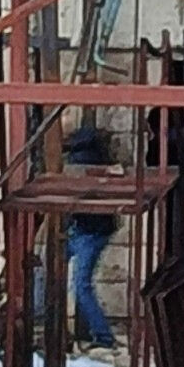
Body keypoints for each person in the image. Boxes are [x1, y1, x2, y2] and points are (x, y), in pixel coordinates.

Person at [63, 122, 120, 352]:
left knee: (81, 285)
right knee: (77, 283)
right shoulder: (100, 158)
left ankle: (103, 336)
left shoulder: (78, 162)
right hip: (90, 229)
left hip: (88, 230)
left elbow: (74, 197)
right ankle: (95, 333)